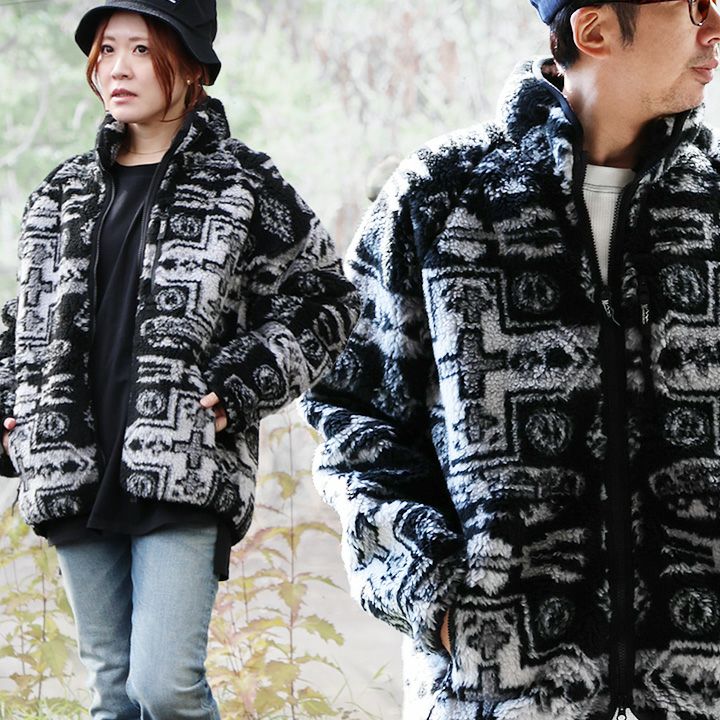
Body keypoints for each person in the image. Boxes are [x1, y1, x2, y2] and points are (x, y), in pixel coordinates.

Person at [301, 0, 720, 718]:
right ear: (594, 30)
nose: (714, 25)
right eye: (692, 6)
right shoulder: (442, 198)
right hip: (500, 697)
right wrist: (438, 599)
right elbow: (351, 412)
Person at [0, 0, 359, 717]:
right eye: (107, 50)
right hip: (71, 460)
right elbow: (22, 320)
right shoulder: (61, 192)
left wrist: (244, 383)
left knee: (163, 686)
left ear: (192, 66)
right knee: (112, 693)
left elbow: (328, 298)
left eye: (141, 50)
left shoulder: (242, 183)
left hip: (182, 461)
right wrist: (11, 404)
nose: (118, 68)